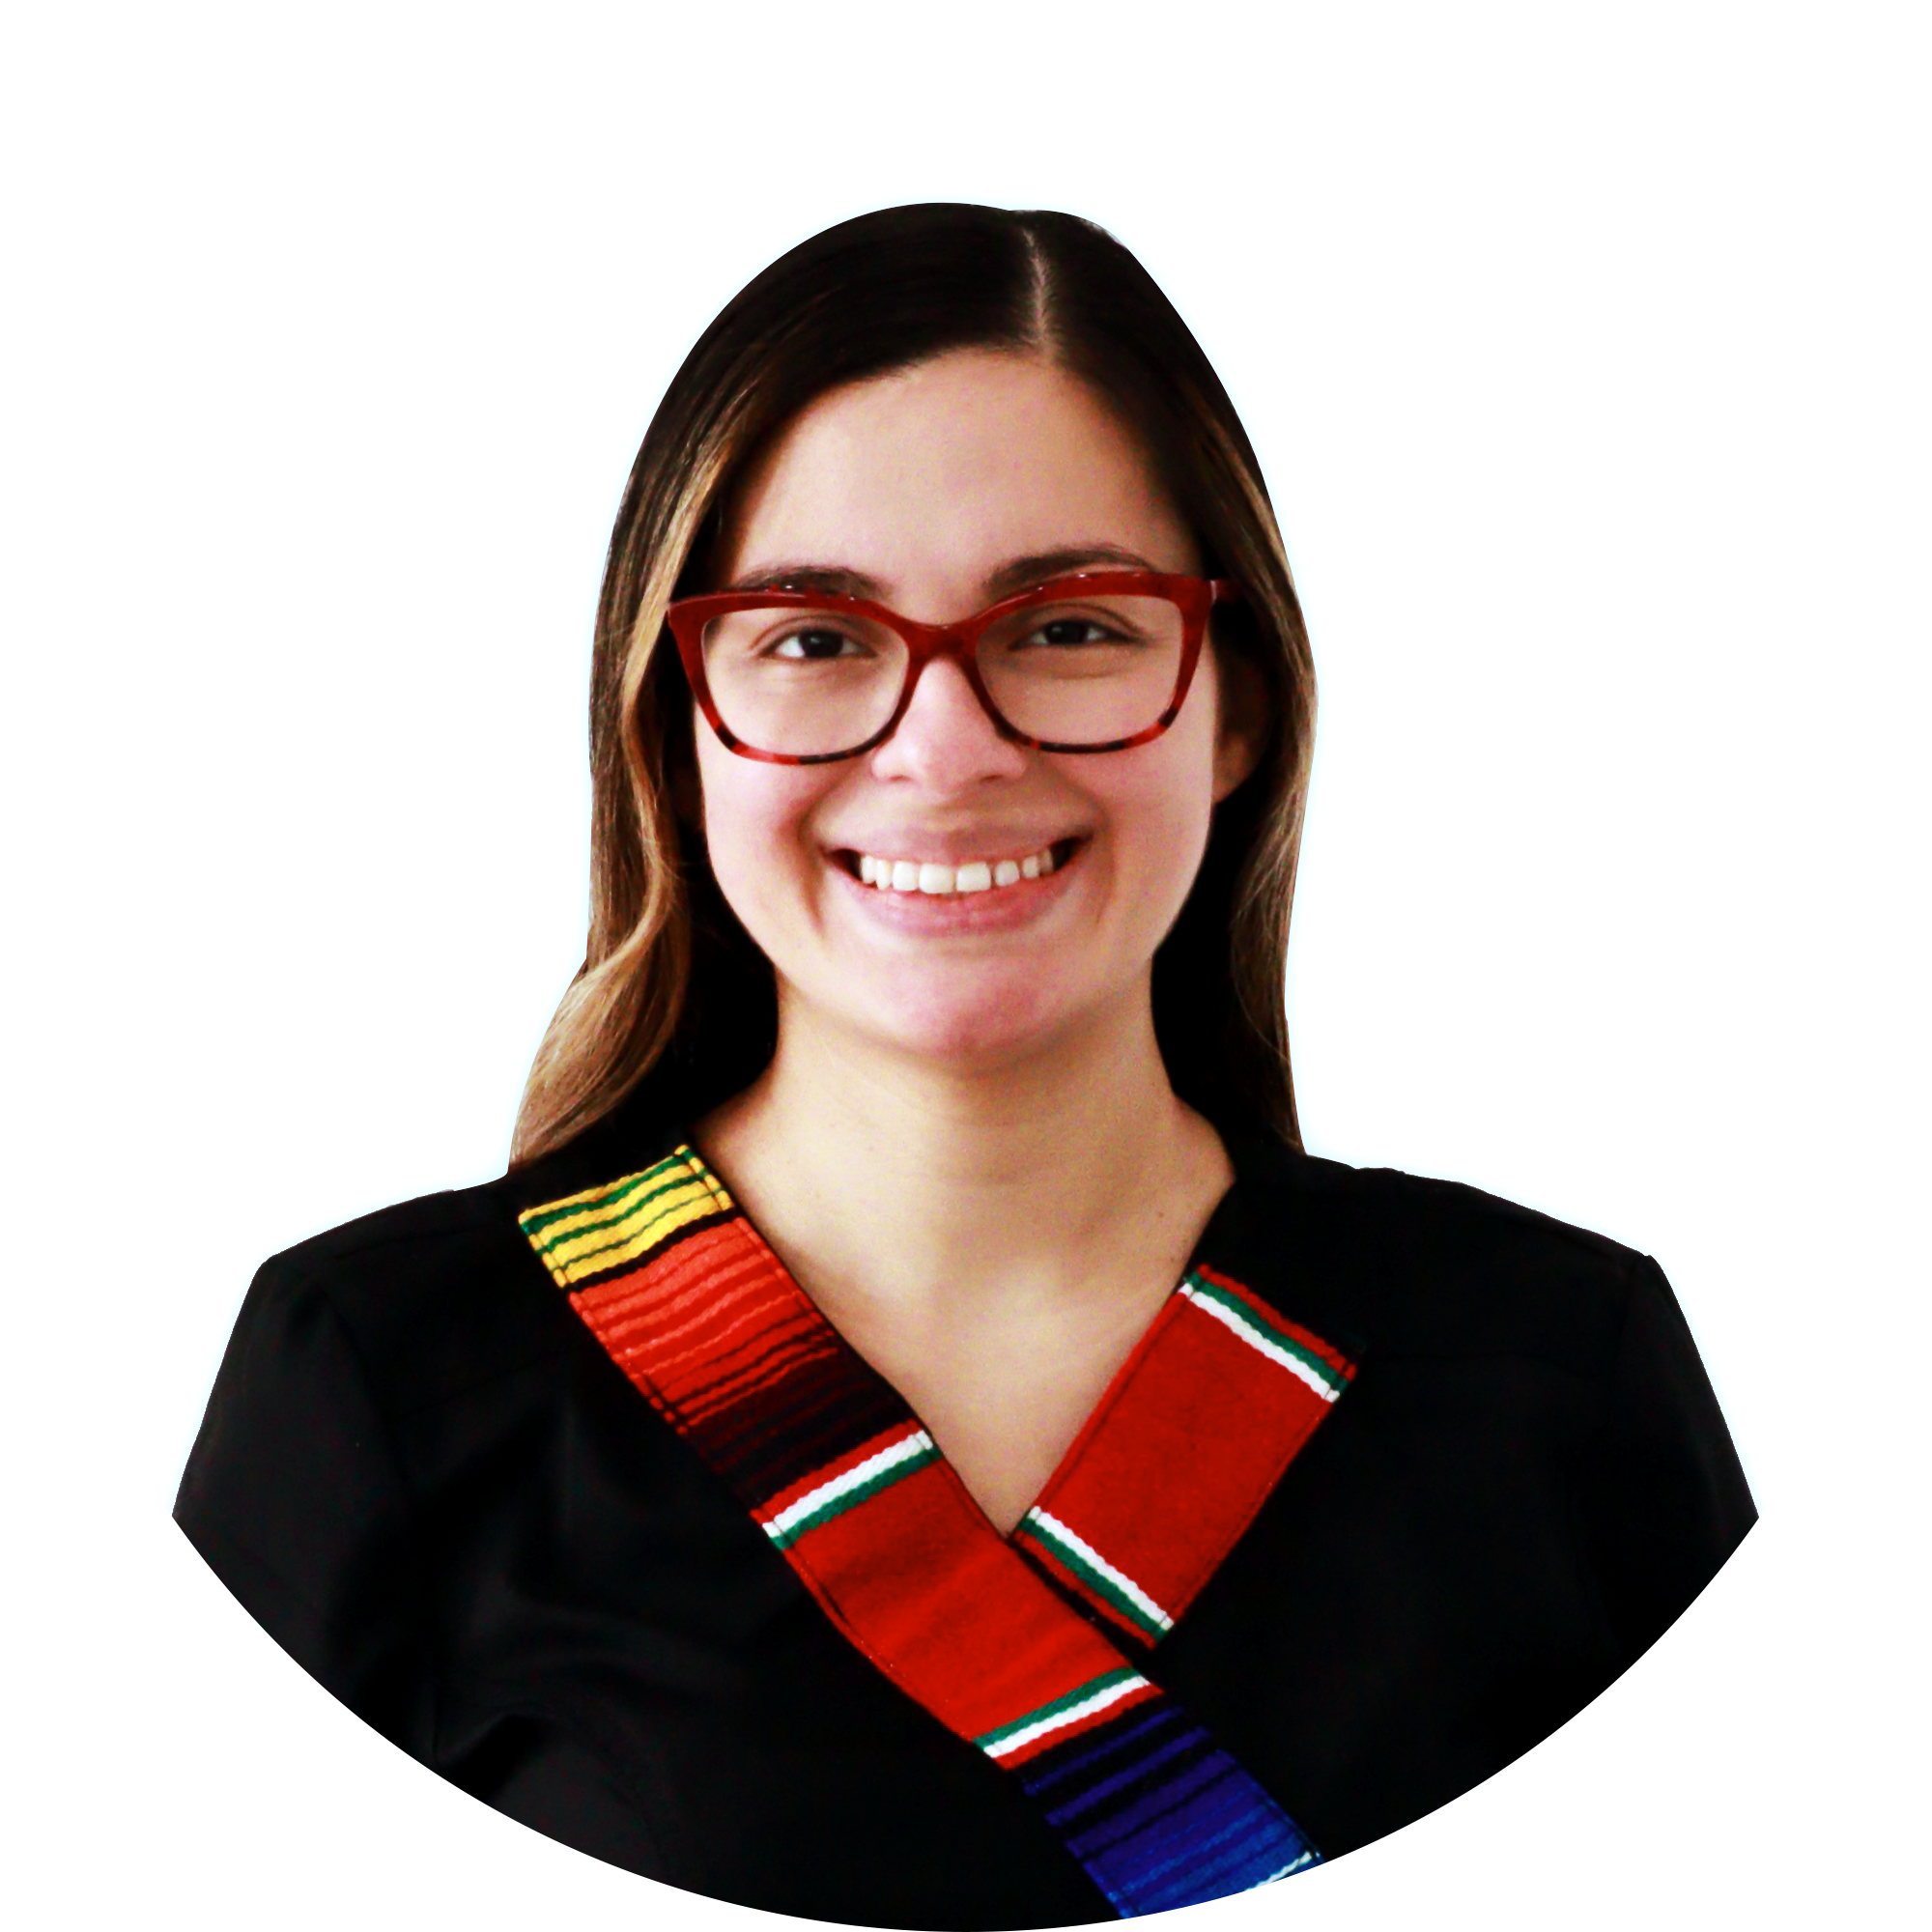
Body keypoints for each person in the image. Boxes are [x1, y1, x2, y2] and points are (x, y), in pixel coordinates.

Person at [175, 205, 1754, 1928]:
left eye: (1068, 629)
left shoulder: (1562, 1374)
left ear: (1237, 707)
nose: (945, 751)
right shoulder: (378, 1387)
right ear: (677, 728)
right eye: (814, 638)